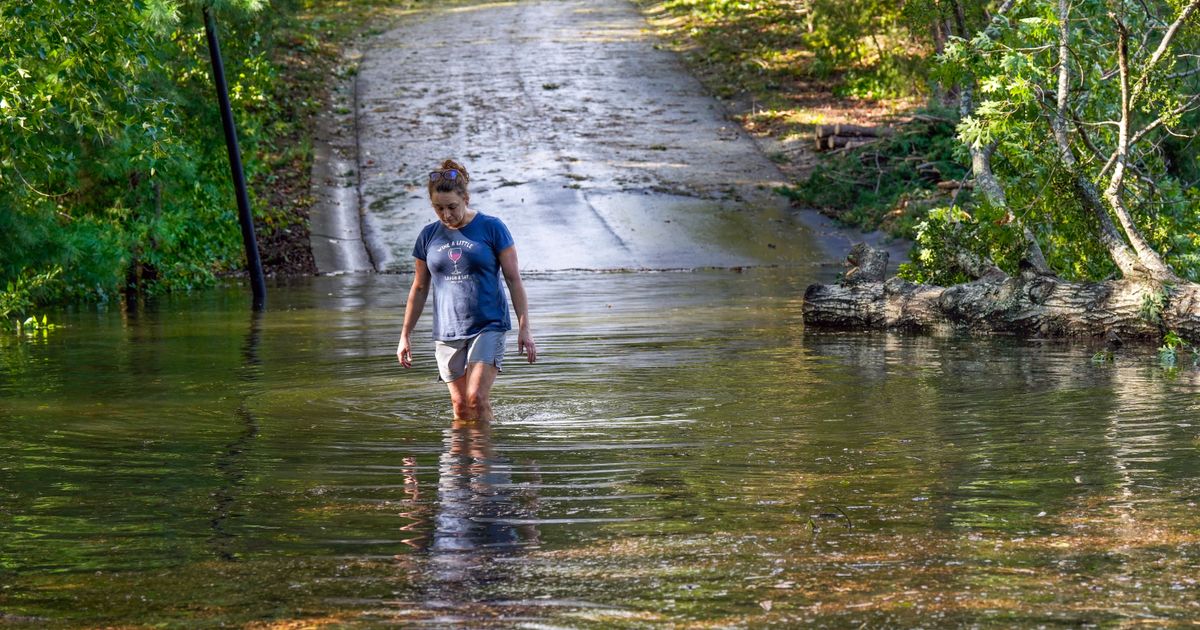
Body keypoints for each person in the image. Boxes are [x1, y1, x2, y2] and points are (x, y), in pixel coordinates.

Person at [397, 159, 536, 421]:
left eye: (452, 207)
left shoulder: (492, 227)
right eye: (438, 208)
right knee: (461, 406)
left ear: (466, 198)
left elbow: (514, 279)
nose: (446, 215)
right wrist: (405, 335)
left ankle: (485, 461)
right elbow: (419, 288)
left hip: (488, 325)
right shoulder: (428, 236)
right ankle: (461, 461)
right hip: (447, 330)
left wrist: (524, 328)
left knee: (476, 398)